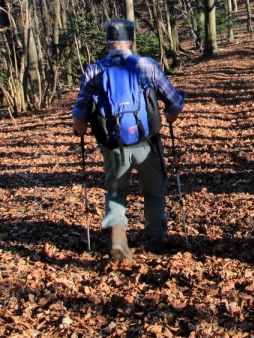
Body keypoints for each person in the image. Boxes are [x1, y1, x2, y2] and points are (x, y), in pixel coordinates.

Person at [71, 19, 185, 261]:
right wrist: (169, 116)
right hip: (147, 143)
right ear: (132, 41)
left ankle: (118, 239)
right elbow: (175, 102)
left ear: (108, 43)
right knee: (154, 192)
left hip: (112, 146)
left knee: (115, 191)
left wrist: (80, 131)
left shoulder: (94, 70)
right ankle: (156, 240)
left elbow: (80, 113)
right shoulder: (146, 65)